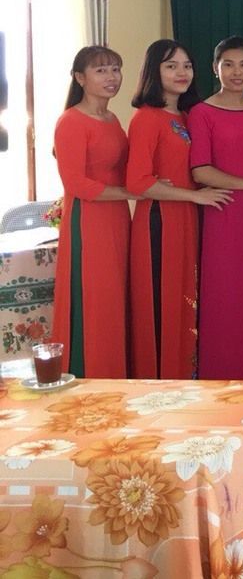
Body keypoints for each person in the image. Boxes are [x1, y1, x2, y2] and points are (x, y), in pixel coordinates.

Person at [127, 39, 231, 380]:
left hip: (187, 219)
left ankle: (184, 377)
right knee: (162, 302)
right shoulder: (146, 118)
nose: (181, 72)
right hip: (159, 220)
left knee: (186, 298)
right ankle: (159, 381)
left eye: (187, 65)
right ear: (153, 71)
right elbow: (138, 183)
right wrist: (194, 196)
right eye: (171, 66)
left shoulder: (188, 117)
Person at [189, 36, 243, 380]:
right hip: (222, 211)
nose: (236, 72)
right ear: (215, 69)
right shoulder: (202, 113)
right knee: (225, 293)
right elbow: (201, 171)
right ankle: (221, 374)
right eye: (228, 64)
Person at [53, 46, 135, 378]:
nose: (111, 77)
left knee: (117, 296)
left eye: (115, 69)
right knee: (95, 298)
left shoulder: (112, 119)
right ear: (80, 78)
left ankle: (117, 373)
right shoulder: (71, 121)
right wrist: (131, 193)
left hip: (118, 218)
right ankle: (89, 374)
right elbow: (77, 184)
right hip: (89, 222)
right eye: (101, 70)